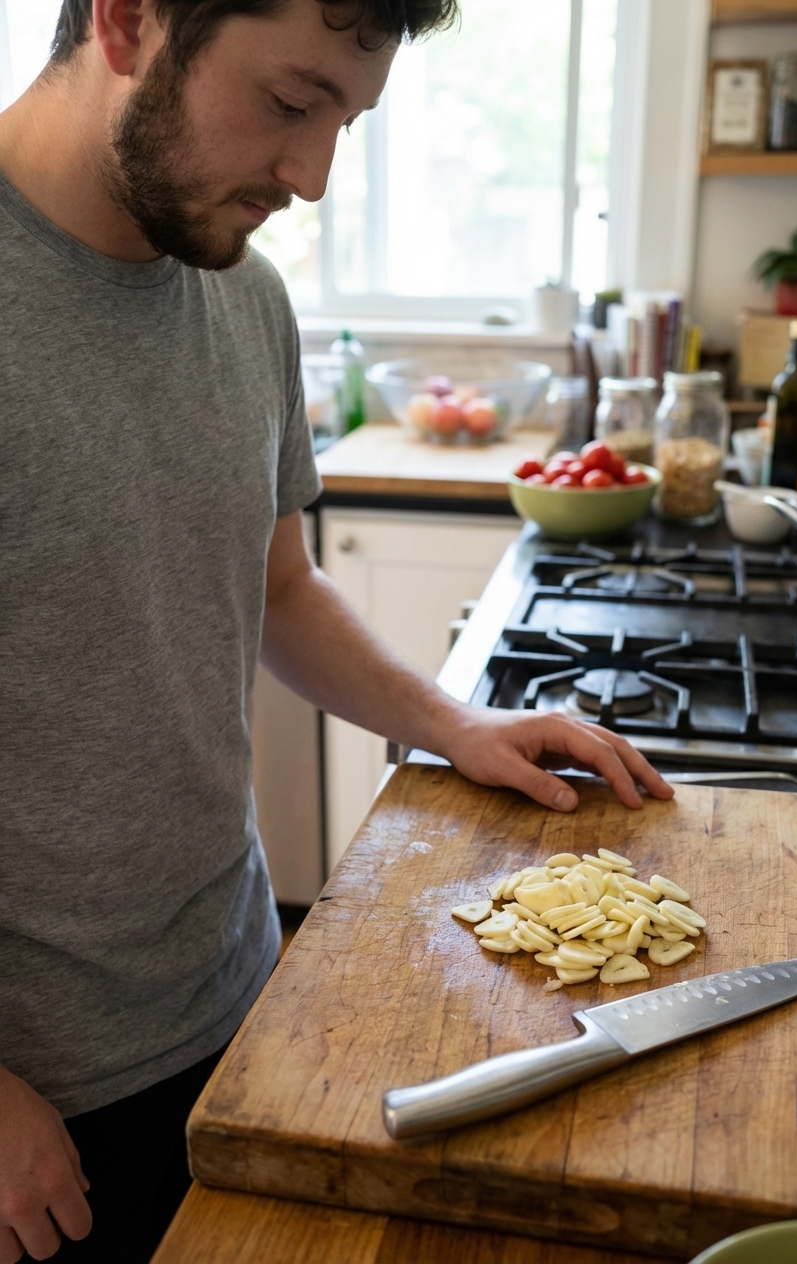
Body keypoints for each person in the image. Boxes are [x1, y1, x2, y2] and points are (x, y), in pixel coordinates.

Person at [0, 1, 673, 1259]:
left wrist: (450, 722)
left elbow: (279, 588)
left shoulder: (242, 302)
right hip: (32, 1098)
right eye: (293, 104)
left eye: (345, 124)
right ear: (130, 19)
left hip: (239, 990)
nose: (310, 178)